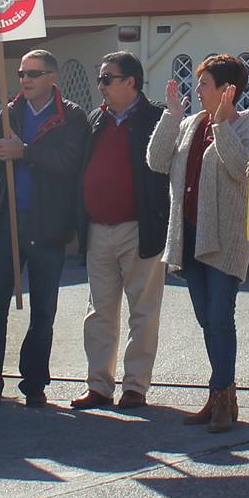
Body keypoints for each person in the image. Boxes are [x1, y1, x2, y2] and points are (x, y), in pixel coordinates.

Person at [148, 53, 249, 434]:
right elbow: (157, 161)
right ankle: (217, 395)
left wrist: (223, 124)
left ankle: (224, 398)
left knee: (219, 317)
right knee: (206, 320)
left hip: (225, 239)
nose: (197, 91)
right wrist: (172, 115)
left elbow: (239, 169)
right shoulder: (191, 123)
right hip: (190, 235)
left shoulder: (247, 126)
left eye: (204, 85)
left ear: (228, 90)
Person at [0, 49, 88, 407]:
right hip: (7, 221)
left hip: (48, 224)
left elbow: (69, 163)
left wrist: (24, 152)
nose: (25, 79)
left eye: (33, 74)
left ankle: (34, 381)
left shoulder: (71, 117)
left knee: (43, 310)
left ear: (52, 77)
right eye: (22, 73)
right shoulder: (12, 111)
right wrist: (0, 152)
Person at [72, 52, 170, 410]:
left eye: (107, 78)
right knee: (99, 312)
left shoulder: (157, 118)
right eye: (100, 79)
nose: (100, 86)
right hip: (98, 228)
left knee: (143, 311)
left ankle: (135, 387)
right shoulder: (97, 119)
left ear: (131, 82)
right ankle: (98, 385)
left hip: (140, 227)